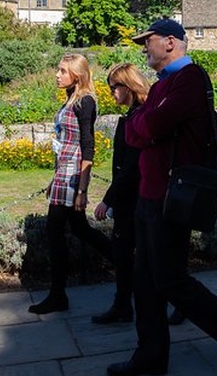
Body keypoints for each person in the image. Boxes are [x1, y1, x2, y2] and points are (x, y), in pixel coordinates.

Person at [107, 19, 217, 376]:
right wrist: (144, 123)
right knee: (146, 282)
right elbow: (139, 131)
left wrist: (144, 123)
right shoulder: (164, 85)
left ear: (170, 42)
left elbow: (145, 129)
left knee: (170, 279)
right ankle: (150, 355)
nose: (145, 48)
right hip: (149, 194)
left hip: (170, 198)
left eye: (149, 41)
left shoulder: (188, 79)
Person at [29, 54, 113, 314]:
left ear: (77, 75)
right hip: (63, 173)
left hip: (73, 175)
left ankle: (58, 295)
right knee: (80, 229)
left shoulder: (85, 102)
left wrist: (82, 190)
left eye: (63, 71)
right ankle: (129, 265)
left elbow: (88, 146)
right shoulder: (71, 98)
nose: (57, 74)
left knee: (56, 232)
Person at [90, 63, 150, 324]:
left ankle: (125, 306)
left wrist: (108, 199)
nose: (112, 92)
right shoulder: (135, 115)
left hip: (134, 198)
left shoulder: (138, 117)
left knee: (128, 255)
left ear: (129, 86)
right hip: (132, 197)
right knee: (128, 254)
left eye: (115, 87)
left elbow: (130, 167)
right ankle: (123, 304)